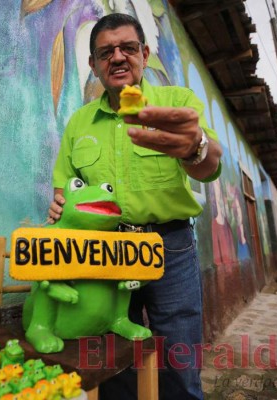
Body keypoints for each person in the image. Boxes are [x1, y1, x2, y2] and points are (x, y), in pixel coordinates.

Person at [48, 13, 222, 400]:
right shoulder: (79, 123)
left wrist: (196, 148)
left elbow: (211, 165)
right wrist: (60, 203)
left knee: (179, 357)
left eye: (128, 47)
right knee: (111, 361)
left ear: (144, 53)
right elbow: (65, 188)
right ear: (93, 65)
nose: (118, 57)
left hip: (169, 247)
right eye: (106, 52)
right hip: (103, 253)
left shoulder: (178, 103)